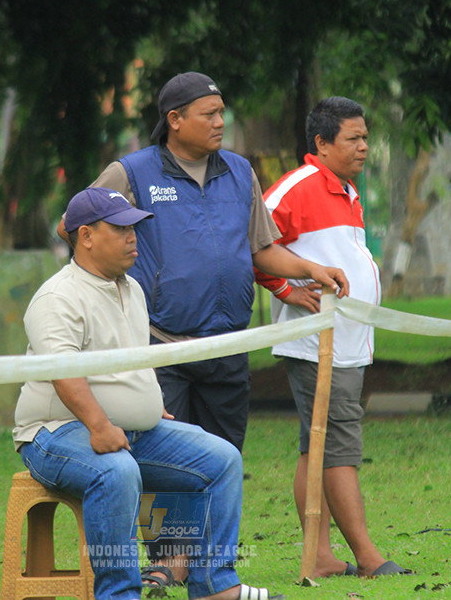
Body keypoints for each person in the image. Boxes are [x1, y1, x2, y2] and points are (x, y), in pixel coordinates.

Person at [57, 72, 349, 590]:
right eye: (208, 114)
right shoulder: (133, 171)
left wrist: (308, 269)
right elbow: (75, 223)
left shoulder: (239, 172)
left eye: (221, 113)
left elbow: (261, 249)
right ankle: (169, 560)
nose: (220, 122)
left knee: (220, 455)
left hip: (228, 344)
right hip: (158, 342)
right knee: (163, 458)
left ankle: (210, 567)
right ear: (174, 121)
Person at [15, 187, 285, 600]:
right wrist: (101, 425)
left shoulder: (133, 289)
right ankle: (120, 594)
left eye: (134, 228)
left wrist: (148, 401)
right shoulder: (58, 296)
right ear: (85, 236)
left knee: (222, 460)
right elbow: (62, 374)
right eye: (121, 228)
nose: (133, 237)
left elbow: (134, 359)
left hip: (131, 431)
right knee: (117, 471)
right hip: (55, 434)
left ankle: (215, 586)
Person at [255, 96, 409, 578]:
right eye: (354, 138)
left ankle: (319, 556)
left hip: (346, 344)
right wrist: (285, 288)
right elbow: (251, 244)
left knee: (316, 446)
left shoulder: (346, 189)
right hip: (316, 344)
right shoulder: (296, 188)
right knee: (339, 445)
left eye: (366, 137)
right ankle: (368, 557)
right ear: (321, 143)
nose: (364, 147)